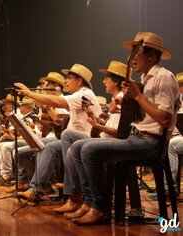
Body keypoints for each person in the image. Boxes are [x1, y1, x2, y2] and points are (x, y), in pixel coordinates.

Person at [69, 32, 179, 225]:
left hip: (151, 142)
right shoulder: (146, 79)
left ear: (151, 56)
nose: (132, 58)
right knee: (77, 146)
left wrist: (137, 97)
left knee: (88, 149)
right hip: (136, 137)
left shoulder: (164, 77)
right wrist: (125, 105)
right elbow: (141, 114)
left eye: (137, 54)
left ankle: (100, 208)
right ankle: (88, 201)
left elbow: (165, 120)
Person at [14, 64, 102, 201]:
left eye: (69, 77)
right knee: (44, 147)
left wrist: (29, 93)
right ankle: (40, 187)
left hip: (83, 139)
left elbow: (58, 103)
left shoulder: (84, 94)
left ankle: (59, 189)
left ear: (79, 81)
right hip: (73, 139)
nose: (66, 81)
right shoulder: (78, 95)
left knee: (53, 143)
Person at [55, 60, 127, 216]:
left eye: (106, 78)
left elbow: (119, 132)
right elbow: (103, 128)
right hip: (103, 138)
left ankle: (82, 198)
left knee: (75, 143)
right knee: (72, 148)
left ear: (115, 82)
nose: (103, 81)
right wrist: (96, 123)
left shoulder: (121, 99)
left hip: (112, 142)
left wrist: (98, 126)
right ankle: (84, 200)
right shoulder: (113, 101)